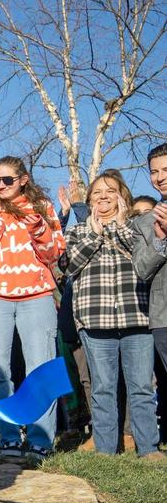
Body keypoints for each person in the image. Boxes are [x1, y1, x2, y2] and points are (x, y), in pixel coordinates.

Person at [0, 156, 66, 459]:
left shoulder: (43, 207)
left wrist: (37, 229)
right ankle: (7, 436)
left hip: (37, 296)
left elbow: (54, 253)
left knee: (40, 370)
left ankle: (41, 439)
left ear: (23, 179)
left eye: (8, 179)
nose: (1, 185)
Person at [63, 171, 156, 456]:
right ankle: (106, 450)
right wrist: (96, 233)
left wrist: (119, 228)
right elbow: (70, 265)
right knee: (103, 388)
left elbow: (145, 260)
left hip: (137, 317)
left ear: (122, 196)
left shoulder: (139, 226)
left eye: (110, 191)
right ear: (89, 199)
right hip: (94, 319)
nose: (103, 196)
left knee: (141, 387)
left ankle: (148, 448)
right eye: (97, 192)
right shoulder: (78, 231)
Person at [128, 143, 167, 463]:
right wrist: (162, 238)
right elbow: (141, 268)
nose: (160, 177)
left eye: (166, 169)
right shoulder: (144, 223)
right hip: (163, 315)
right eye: (154, 171)